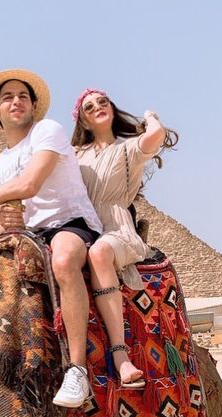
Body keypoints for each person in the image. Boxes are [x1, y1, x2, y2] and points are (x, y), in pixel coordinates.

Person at [0, 69, 102, 408]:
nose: (15, 101)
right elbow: (2, 229)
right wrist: (5, 219)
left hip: (69, 225)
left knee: (63, 260)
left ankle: (77, 369)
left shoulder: (47, 132)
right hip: (28, 239)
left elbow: (30, 184)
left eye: (22, 96)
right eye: (7, 97)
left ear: (34, 105)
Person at [70, 89, 178, 386]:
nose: (98, 107)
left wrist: (150, 116)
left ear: (112, 109)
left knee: (100, 253)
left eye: (103, 102)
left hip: (116, 228)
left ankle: (120, 354)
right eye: (89, 107)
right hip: (82, 227)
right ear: (83, 120)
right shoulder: (75, 156)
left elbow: (156, 136)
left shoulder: (128, 149)